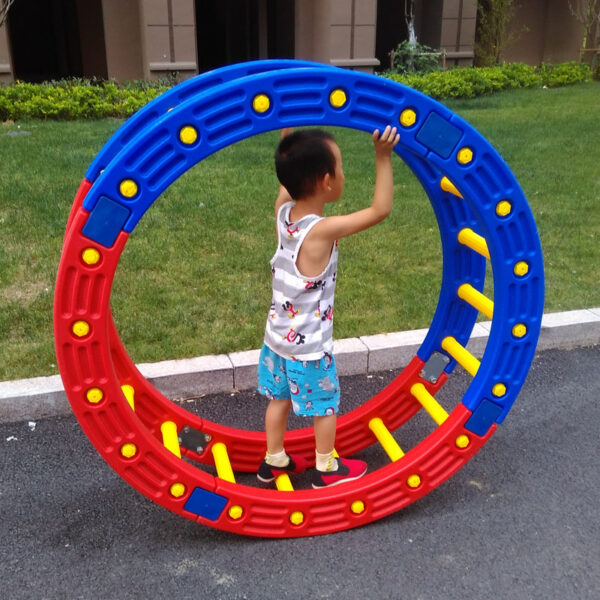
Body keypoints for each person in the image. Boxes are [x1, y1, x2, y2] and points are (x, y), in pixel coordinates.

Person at [256, 125, 400, 488]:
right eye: (340, 167)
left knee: (279, 400)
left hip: (276, 341)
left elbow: (287, 184)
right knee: (325, 405)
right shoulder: (322, 230)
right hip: (309, 348)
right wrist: (383, 157)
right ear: (326, 182)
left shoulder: (282, 213)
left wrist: (286, 135)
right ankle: (327, 469)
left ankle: (273, 461)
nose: (343, 174)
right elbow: (380, 209)